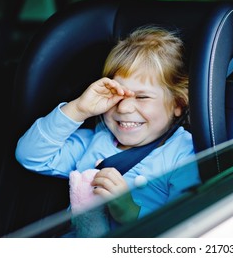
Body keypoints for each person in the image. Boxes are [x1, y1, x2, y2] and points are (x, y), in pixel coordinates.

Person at [15, 26, 201, 235]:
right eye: (117, 94)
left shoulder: (184, 154)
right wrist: (78, 109)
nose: (123, 107)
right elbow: (30, 155)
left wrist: (132, 213)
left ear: (178, 104)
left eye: (142, 97)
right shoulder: (96, 139)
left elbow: (186, 228)